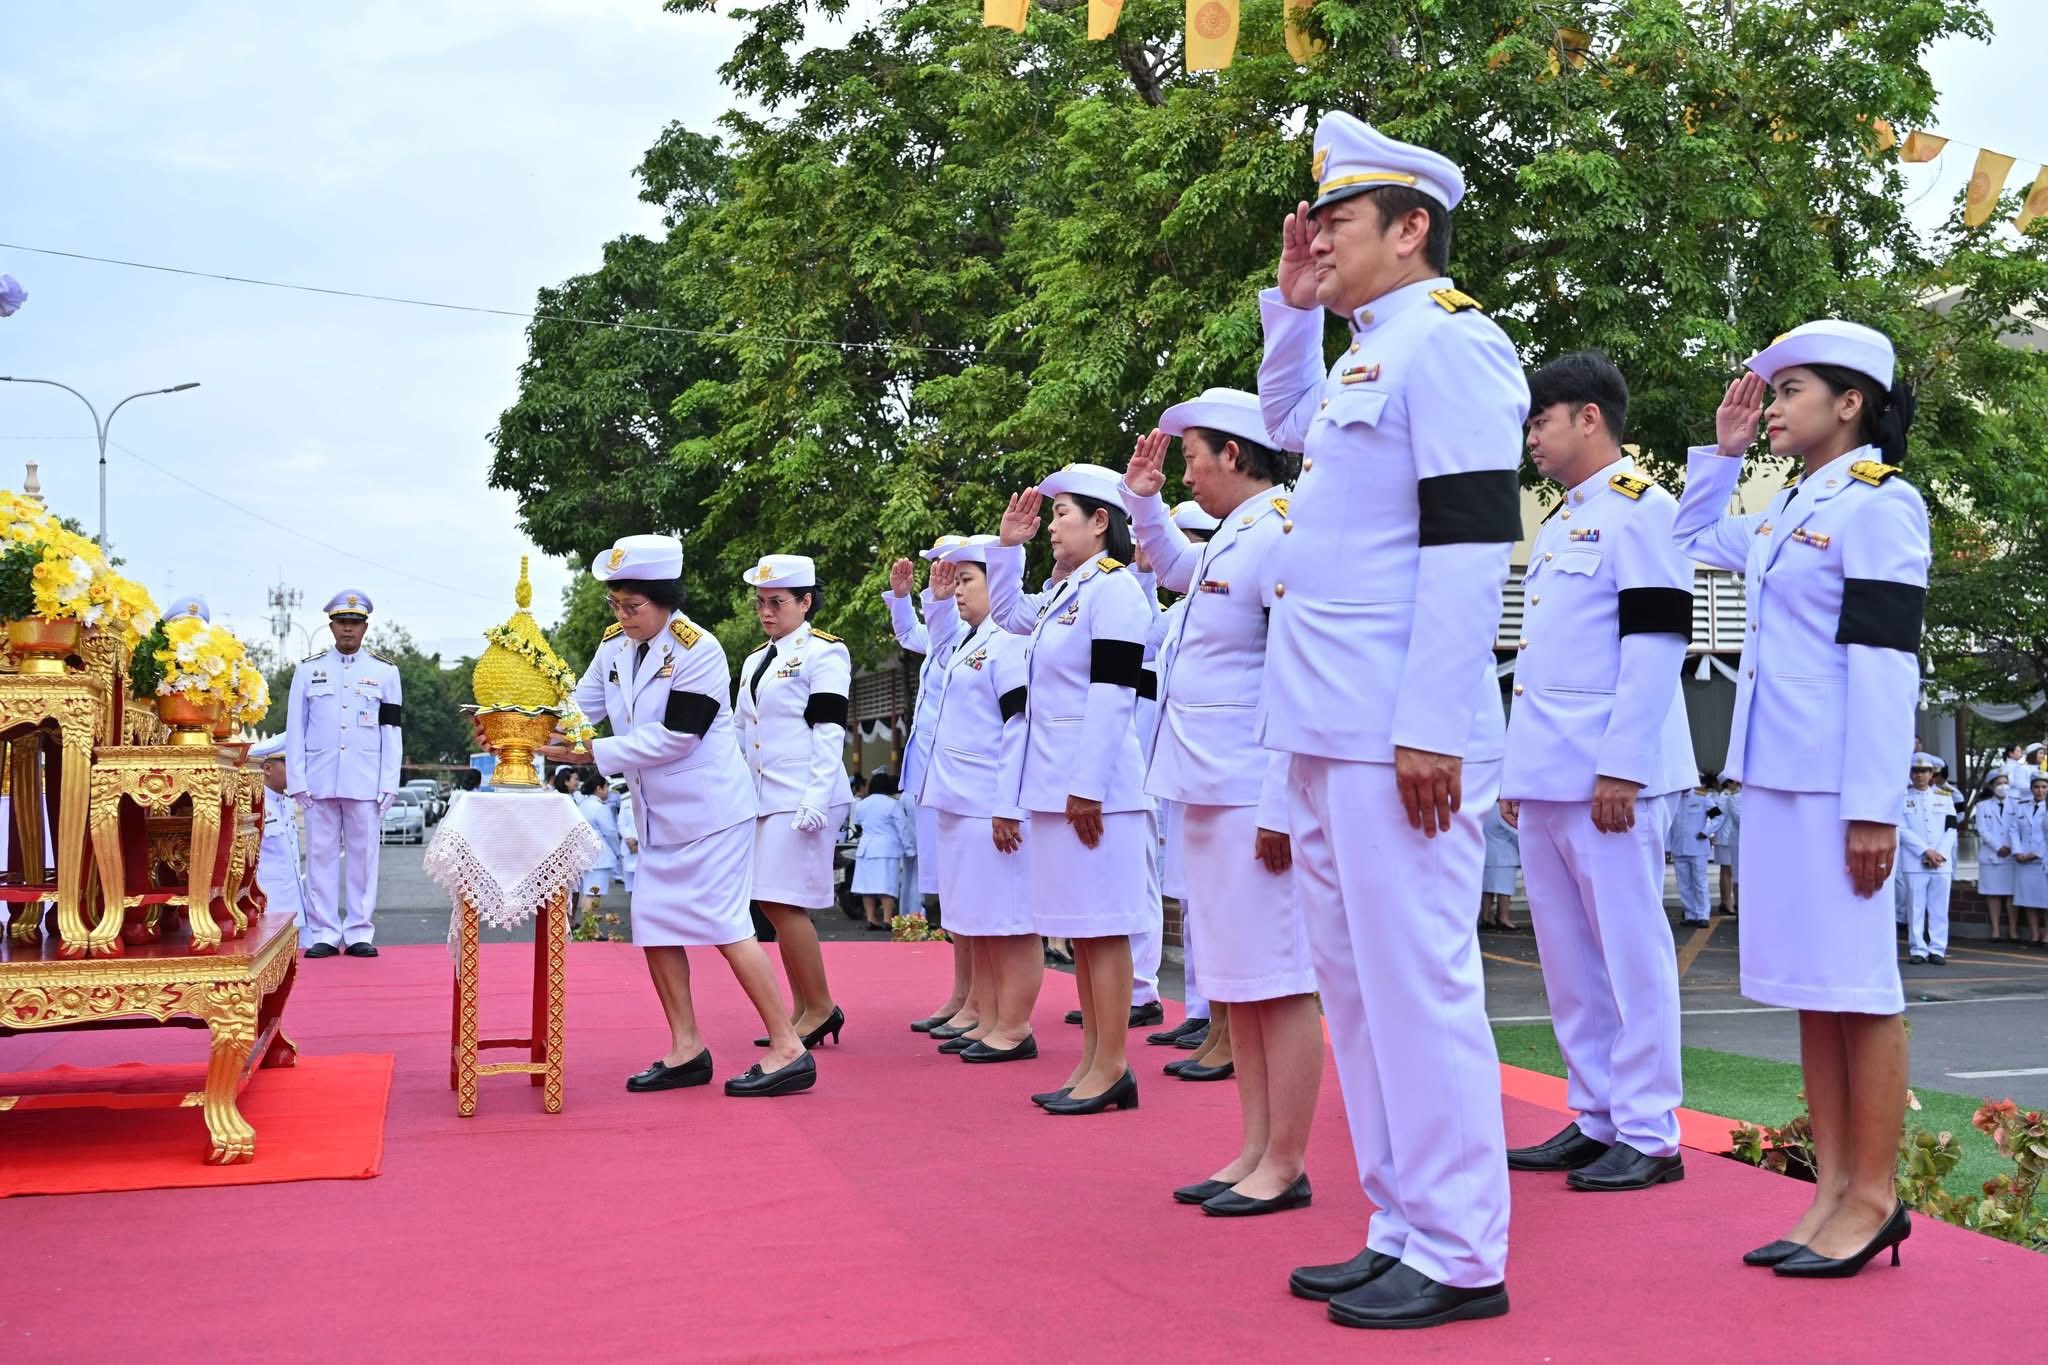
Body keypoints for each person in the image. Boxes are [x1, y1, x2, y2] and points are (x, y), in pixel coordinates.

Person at [1257, 113, 1525, 1328]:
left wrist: (1431, 725)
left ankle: (1462, 1250)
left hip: (1395, 731)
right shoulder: (1367, 353)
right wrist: (1291, 311)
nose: (1318, 234)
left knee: (1418, 985)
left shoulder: (1456, 348)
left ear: (1410, 228)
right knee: (1354, 990)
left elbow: (1472, 549)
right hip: (1324, 724)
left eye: (1340, 219)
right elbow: (1288, 434)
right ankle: (1398, 1220)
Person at [1675, 318, 1928, 1276]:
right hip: (1779, 776)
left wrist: (1875, 805)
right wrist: (1723, 453)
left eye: (1787, 392)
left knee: (1861, 992)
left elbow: (1885, 664)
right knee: (1815, 995)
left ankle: (1874, 1197)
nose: (1771, 406)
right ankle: (1830, 1189)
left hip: (1834, 786)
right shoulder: (1788, 507)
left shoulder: (1879, 506)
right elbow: (1692, 536)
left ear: (1849, 403)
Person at [1498, 350, 1698, 1193]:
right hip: (1548, 774)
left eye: (1540, 420)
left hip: (1610, 776)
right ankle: (1596, 1114)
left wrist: (1621, 765)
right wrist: (1518, 768)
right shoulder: (1563, 518)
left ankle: (1650, 1130)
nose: (1531, 438)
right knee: (1569, 957)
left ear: (1588, 417)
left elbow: (1655, 643)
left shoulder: (1641, 509)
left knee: (1630, 953)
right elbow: (1545, 661)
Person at [1124, 387, 1321, 1217]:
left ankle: (1286, 1158)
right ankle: (1251, 1147)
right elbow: (1172, 565)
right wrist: (1139, 504)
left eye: (1194, 458)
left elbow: (1293, 675)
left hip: (1251, 793)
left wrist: (1281, 804)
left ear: (1233, 455)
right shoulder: (1233, 535)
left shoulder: (1279, 532)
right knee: (1238, 981)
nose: (1188, 475)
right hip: (1206, 786)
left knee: (1281, 978)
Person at [525, 533, 813, 1097]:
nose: (623, 616)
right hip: (658, 818)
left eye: (633, 607)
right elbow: (577, 713)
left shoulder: (698, 649)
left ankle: (787, 1046)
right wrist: (524, 728)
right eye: (617, 605)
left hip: (711, 815)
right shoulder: (613, 649)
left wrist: (592, 752)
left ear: (665, 600)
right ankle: (687, 1047)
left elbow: (679, 736)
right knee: (654, 927)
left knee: (728, 926)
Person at [988, 462, 1153, 1115]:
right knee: (1081, 932)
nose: (1052, 526)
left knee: (1105, 929)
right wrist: (1010, 549)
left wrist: (1086, 786)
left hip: (1096, 791)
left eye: (1062, 515)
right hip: (1056, 787)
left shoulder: (1114, 590)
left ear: (1100, 522)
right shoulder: (1066, 590)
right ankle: (1092, 1061)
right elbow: (1007, 614)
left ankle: (1111, 1064)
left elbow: (1113, 694)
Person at [914, 539, 1042, 1061]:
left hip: (990, 800)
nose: (960, 590)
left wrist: (1008, 803)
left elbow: (1018, 723)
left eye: (969, 580)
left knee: (1008, 921)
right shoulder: (972, 641)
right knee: (979, 922)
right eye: (957, 580)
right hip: (958, 802)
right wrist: (937, 602)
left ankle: (1014, 1026)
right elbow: (937, 649)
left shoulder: (1009, 642)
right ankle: (989, 1016)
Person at [735, 553, 855, 1049]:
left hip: (806, 793)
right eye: (761, 602)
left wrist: (817, 797)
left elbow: (830, 730)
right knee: (772, 901)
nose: (767, 611)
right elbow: (743, 732)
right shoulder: (753, 661)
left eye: (778, 602)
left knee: (785, 904)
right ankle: (806, 1006)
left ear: (806, 602)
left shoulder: (825, 653)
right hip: (766, 797)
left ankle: (821, 1006)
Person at [284, 590, 402, 958]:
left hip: (365, 779)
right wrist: (297, 780)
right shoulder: (307, 671)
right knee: (319, 856)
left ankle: (359, 931)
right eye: (341, 622)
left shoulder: (385, 673)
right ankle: (324, 931)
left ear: (365, 627)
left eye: (354, 623)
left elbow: (392, 731)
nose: (347, 629)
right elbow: (295, 730)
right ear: (331, 626)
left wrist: (389, 782)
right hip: (319, 778)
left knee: (363, 857)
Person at [887, 543, 972, 1027]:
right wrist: (901, 597)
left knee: (967, 895)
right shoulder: (944, 640)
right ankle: (963, 994)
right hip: (928, 777)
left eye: (959, 578)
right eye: (943, 577)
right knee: (948, 896)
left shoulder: (980, 635)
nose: (949, 588)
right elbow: (909, 634)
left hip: (961, 780)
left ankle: (978, 997)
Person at [249, 735, 311, 945]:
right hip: (269, 913)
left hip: (296, 910)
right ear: (267, 769)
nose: (297, 769)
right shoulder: (253, 804)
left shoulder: (284, 802)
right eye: (288, 763)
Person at [1900, 753, 1957, 966]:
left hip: (1941, 862)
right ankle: (1918, 948)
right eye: (1915, 771)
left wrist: (1938, 853)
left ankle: (1937, 948)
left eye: (1924, 771)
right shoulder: (1903, 798)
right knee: (1915, 907)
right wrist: (1925, 851)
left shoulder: (1944, 796)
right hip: (1915, 861)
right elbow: (1900, 828)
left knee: (1939, 907)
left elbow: (1951, 827)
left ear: (1932, 773)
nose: (1919, 775)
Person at [850, 771, 914, 931]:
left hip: (866, 848)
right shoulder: (892, 804)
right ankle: (887, 918)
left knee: (867, 886)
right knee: (887, 885)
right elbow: (903, 828)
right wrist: (910, 849)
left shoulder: (862, 804)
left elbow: (857, 823)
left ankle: (871, 917)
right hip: (887, 848)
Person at [1667, 778, 1723, 927]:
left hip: (1697, 848)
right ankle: (1690, 914)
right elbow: (1669, 825)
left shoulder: (1702, 797)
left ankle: (1703, 915)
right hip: (1679, 848)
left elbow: (1718, 816)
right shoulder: (1673, 800)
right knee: (1684, 884)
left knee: (1700, 883)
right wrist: (1667, 848)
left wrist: (1707, 832)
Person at [574, 767, 620, 921]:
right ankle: (590, 930)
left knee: (588, 892)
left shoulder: (584, 804)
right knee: (594, 893)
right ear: (599, 788)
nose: (608, 791)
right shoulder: (601, 808)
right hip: (600, 854)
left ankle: (588, 928)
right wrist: (618, 852)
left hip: (584, 852)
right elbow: (611, 833)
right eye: (606, 787)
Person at [1975, 774, 2017, 941]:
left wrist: (2011, 847)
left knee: (2011, 894)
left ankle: (2013, 931)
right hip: (1991, 854)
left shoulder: (2017, 804)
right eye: (1999, 783)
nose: (2003, 786)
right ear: (1991, 786)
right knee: (1993, 894)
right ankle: (1996, 930)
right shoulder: (1982, 806)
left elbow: (2018, 829)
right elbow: (1982, 830)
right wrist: (1998, 847)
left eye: (2005, 783)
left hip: (2012, 854)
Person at [2014, 775, 2048, 947]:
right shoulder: (2022, 807)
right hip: (2023, 859)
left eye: (2043, 787)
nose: (2040, 790)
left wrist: (2035, 853)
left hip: (2042, 859)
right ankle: (2034, 935)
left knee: (2046, 900)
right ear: (2031, 789)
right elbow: (2013, 830)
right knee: (2028, 899)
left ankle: (2046, 935)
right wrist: (2018, 851)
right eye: (2036, 787)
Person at [1480, 803, 1520, 931]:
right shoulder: (1499, 810)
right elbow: (1514, 832)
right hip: (1504, 856)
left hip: (1486, 854)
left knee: (1487, 890)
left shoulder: (1484, 808)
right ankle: (1503, 918)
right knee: (1504, 889)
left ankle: (1485, 918)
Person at [1714, 777, 1744, 916]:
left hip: (1726, 837)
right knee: (1727, 872)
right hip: (1725, 838)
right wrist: (1707, 830)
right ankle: (1727, 902)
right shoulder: (1726, 796)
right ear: (1728, 783)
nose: (1737, 784)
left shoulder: (1729, 795)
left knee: (1728, 871)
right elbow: (1716, 814)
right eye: (1734, 782)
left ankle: (1727, 902)